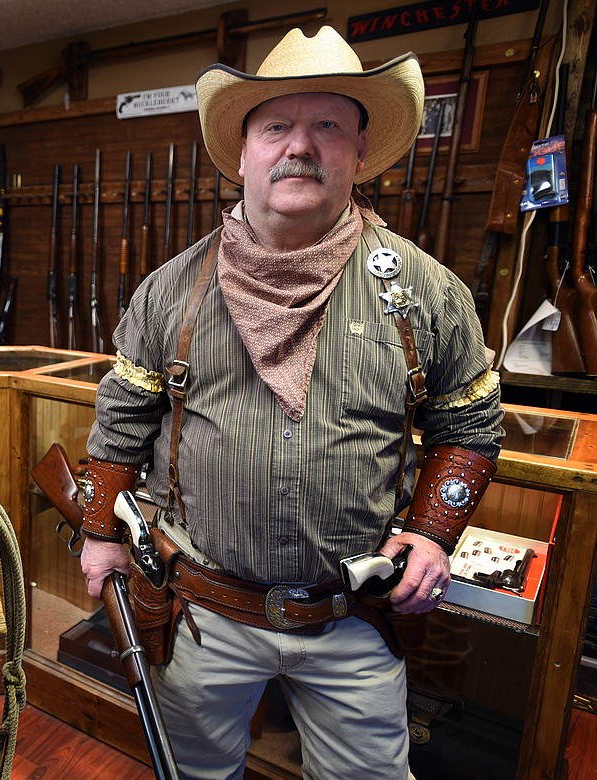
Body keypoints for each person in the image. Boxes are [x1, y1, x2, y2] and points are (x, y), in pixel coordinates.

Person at [79, 26, 503, 779]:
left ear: (360, 154)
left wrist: (434, 533)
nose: (299, 146)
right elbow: (121, 422)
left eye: (327, 126)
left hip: (354, 621)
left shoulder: (427, 293)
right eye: (277, 125)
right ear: (243, 153)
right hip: (201, 614)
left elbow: (467, 424)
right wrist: (101, 535)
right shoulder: (170, 292)